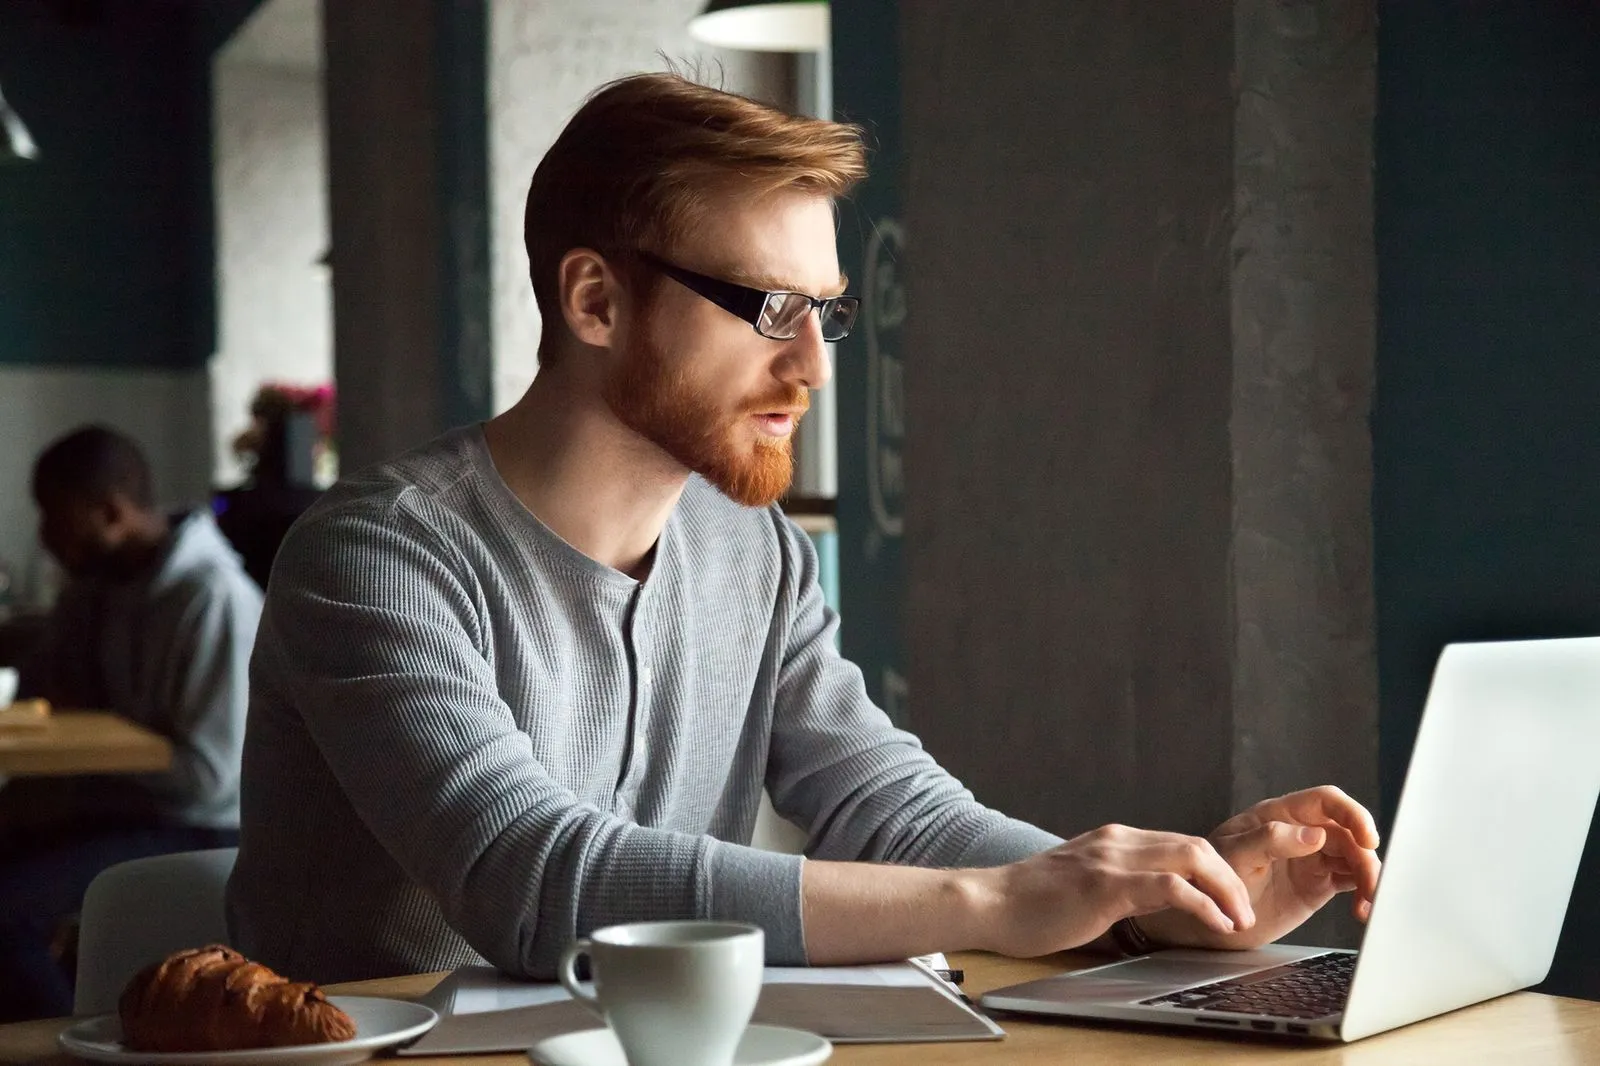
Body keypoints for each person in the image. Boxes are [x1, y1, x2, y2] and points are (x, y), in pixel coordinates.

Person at [228, 73, 1381, 984]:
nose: (810, 366)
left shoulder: (754, 552)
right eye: (771, 308)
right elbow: (532, 883)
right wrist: (1006, 903)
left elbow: (889, 809)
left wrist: (1154, 907)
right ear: (593, 300)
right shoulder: (378, 557)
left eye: (826, 312)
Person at [0, 425, 262, 1020]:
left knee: (5, 911)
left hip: (204, 827)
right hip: (123, 808)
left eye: (53, 516)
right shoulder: (97, 585)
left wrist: (80, 783)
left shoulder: (213, 598)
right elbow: (48, 689)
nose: (44, 536)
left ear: (111, 513)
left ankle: (67, 1052)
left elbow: (210, 779)